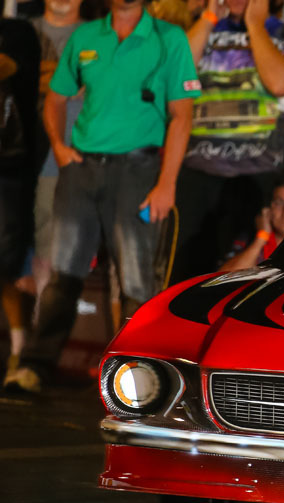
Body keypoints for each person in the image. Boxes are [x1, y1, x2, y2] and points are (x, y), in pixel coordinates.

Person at [5, 0, 199, 393]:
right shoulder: (87, 36)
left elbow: (182, 114)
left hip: (138, 169)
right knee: (63, 271)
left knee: (136, 279)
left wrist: (167, 182)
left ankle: (136, 373)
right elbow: (56, 97)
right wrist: (60, 147)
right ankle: (35, 367)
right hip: (82, 167)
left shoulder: (169, 38)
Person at [170, 0, 284, 284]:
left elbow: (281, 83)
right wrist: (208, 17)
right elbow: (173, 71)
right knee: (186, 275)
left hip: (257, 174)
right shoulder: (202, 28)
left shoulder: (283, 33)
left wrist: (255, 25)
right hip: (198, 172)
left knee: (244, 276)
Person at [28, 0, 82, 311]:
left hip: (72, 157)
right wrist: (67, 79)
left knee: (53, 247)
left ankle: (41, 323)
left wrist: (45, 73)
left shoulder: (97, 33)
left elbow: (99, 83)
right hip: (20, 157)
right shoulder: (24, 30)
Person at [0, 16, 39, 385]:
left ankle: (18, 355)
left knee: (7, 265)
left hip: (8, 167)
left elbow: (8, 66)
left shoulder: (15, 31)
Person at [220, 174, 284, 271]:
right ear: (268, 209)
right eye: (279, 203)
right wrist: (261, 237)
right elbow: (224, 275)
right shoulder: (250, 238)